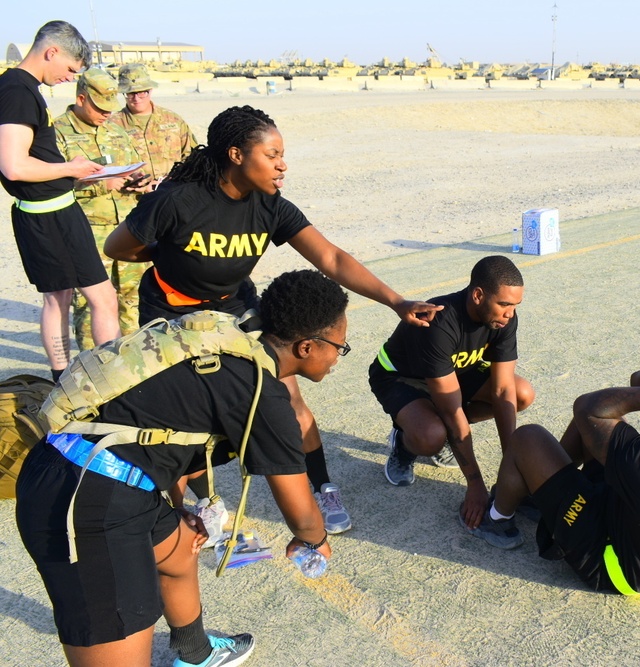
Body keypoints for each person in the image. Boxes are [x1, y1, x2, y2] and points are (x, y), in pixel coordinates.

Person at [104, 105, 441, 535]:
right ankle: (195, 507)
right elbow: (118, 247)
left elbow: (332, 257)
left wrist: (395, 301)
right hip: (172, 313)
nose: (282, 164)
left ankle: (323, 487)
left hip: (234, 308)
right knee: (180, 418)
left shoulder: (270, 206)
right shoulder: (177, 201)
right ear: (236, 155)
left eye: (283, 154)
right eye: (272, 154)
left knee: (288, 400)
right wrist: (171, 253)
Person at [17, 269, 350, 667]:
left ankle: (195, 653)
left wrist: (176, 509)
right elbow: (299, 508)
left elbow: (167, 430)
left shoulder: (225, 337)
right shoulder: (264, 395)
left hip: (83, 467)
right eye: (339, 347)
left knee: (179, 551)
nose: (338, 357)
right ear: (307, 347)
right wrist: (312, 540)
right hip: (84, 500)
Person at [467, 365, 640, 596]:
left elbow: (587, 407)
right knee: (599, 423)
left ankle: (496, 519)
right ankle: (543, 491)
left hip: (611, 562)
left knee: (528, 438)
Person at [368, 255, 535, 529]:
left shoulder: (505, 320)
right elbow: (451, 409)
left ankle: (447, 436)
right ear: (478, 295)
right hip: (402, 376)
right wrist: (476, 485)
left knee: (521, 393)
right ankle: (403, 443)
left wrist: (512, 467)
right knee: (431, 435)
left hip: (455, 372)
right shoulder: (439, 323)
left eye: (515, 305)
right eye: (504, 304)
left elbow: (503, 389)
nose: (510, 313)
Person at [0, 20, 121, 381]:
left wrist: (74, 170)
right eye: (70, 69)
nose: (71, 78)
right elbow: (14, 166)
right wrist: (73, 168)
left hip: (39, 213)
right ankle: (110, 381)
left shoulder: (16, 87)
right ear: (51, 52)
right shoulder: (18, 92)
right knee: (103, 299)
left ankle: (61, 378)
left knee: (58, 299)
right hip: (51, 214)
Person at [53, 67, 151, 350]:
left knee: (133, 302)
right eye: (100, 107)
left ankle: (132, 369)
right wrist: (101, 185)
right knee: (89, 308)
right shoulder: (57, 134)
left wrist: (136, 181)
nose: (107, 113)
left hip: (126, 231)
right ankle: (93, 372)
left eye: (111, 106)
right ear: (81, 98)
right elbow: (50, 187)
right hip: (86, 233)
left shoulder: (116, 131)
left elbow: (132, 165)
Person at [109, 63, 197, 188]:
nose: (136, 98)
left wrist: (174, 178)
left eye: (141, 93)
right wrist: (134, 179)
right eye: (130, 93)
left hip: (172, 192)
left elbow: (192, 156)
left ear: (150, 91)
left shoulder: (173, 120)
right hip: (133, 198)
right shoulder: (112, 126)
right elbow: (108, 167)